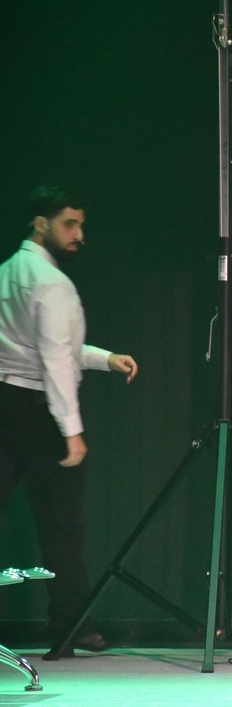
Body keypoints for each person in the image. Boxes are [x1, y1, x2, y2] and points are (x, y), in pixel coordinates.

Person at [0, 185, 139, 660]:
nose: (79, 234)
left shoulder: (8, 273)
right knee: (62, 528)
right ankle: (70, 626)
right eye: (69, 224)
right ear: (42, 223)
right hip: (38, 413)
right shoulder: (52, 282)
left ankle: (70, 625)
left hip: (5, 403)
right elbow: (55, 358)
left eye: (80, 224)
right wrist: (72, 431)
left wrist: (104, 358)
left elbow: (40, 346)